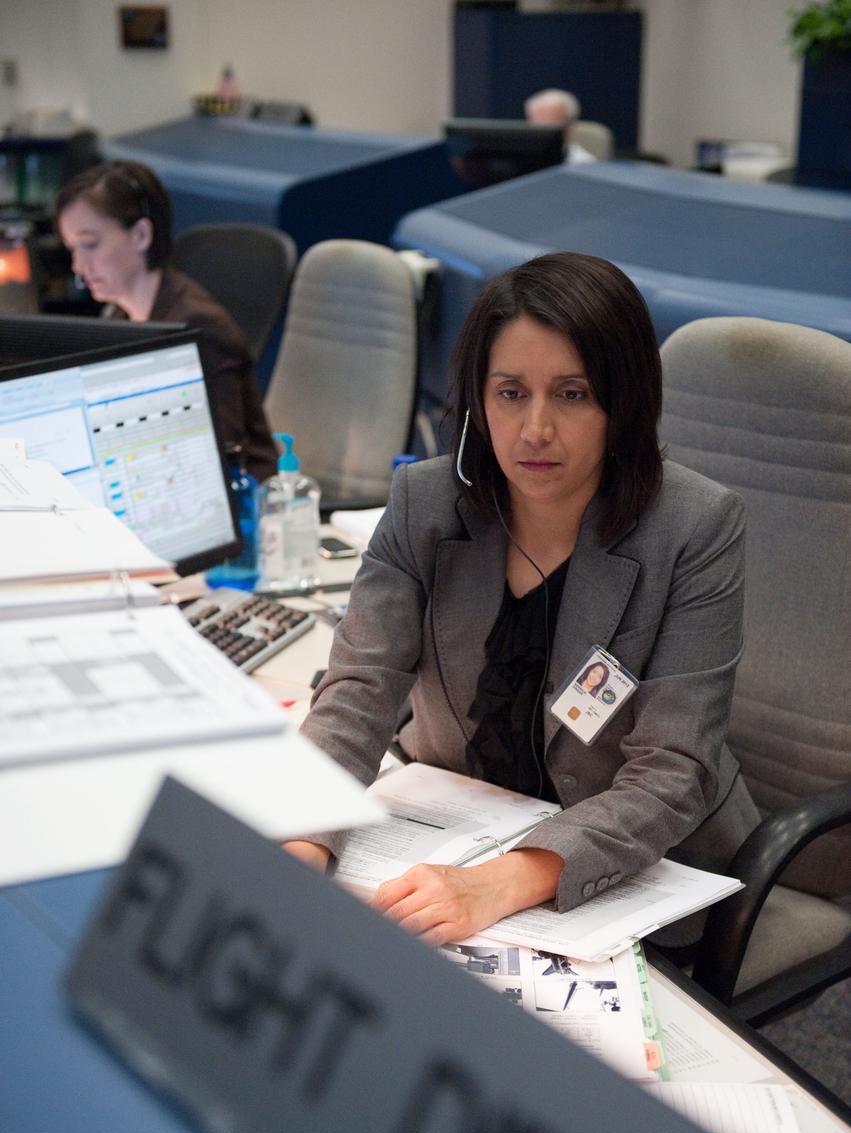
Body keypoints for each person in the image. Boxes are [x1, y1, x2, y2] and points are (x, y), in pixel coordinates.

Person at [289, 251, 759, 948]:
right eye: (510, 393)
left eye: (570, 394)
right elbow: (359, 693)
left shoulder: (693, 528)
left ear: (619, 403)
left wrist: (503, 881)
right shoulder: (425, 504)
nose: (534, 429)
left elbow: (671, 773)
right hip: (458, 832)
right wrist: (299, 847)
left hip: (631, 868)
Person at [55, 160, 278, 481]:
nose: (78, 264)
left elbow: (223, 455)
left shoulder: (196, 326)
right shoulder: (120, 316)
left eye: (90, 244)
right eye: (72, 248)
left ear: (141, 235)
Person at [524, 89, 595, 165]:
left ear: (570, 126)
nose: (544, 134)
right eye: (538, 127)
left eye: (551, 127)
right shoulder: (519, 162)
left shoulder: (585, 164)